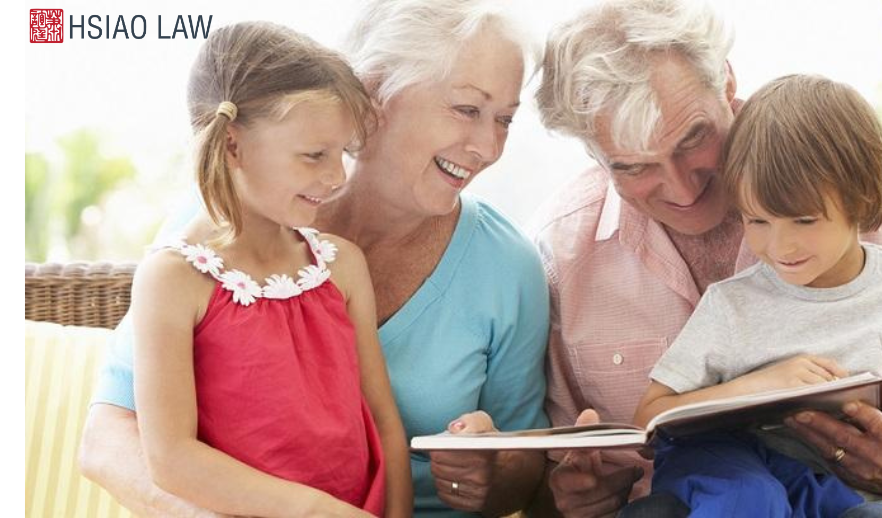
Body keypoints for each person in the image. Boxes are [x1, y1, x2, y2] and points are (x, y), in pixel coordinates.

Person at [78, 2, 550, 517]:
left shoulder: (506, 267)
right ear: (373, 92)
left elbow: (527, 474)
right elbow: (109, 438)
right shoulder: (215, 223)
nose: (487, 146)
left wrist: (489, 469)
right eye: (466, 108)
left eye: (504, 119)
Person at [529, 1, 882, 517]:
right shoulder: (563, 252)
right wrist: (565, 492)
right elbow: (548, 478)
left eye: (693, 138)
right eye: (634, 167)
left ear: (725, 82)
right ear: (594, 154)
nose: (682, 189)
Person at [632, 74, 882, 518]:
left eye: (804, 221)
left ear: (861, 197)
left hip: (845, 492)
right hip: (741, 473)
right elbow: (649, 419)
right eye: (757, 222)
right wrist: (762, 383)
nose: (780, 247)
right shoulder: (731, 304)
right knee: (748, 501)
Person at [127, 21, 410, 517]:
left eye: (342, 154)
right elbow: (170, 458)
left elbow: (385, 422)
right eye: (314, 156)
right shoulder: (172, 280)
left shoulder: (341, 266)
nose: (337, 176)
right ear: (233, 146)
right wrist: (313, 511)